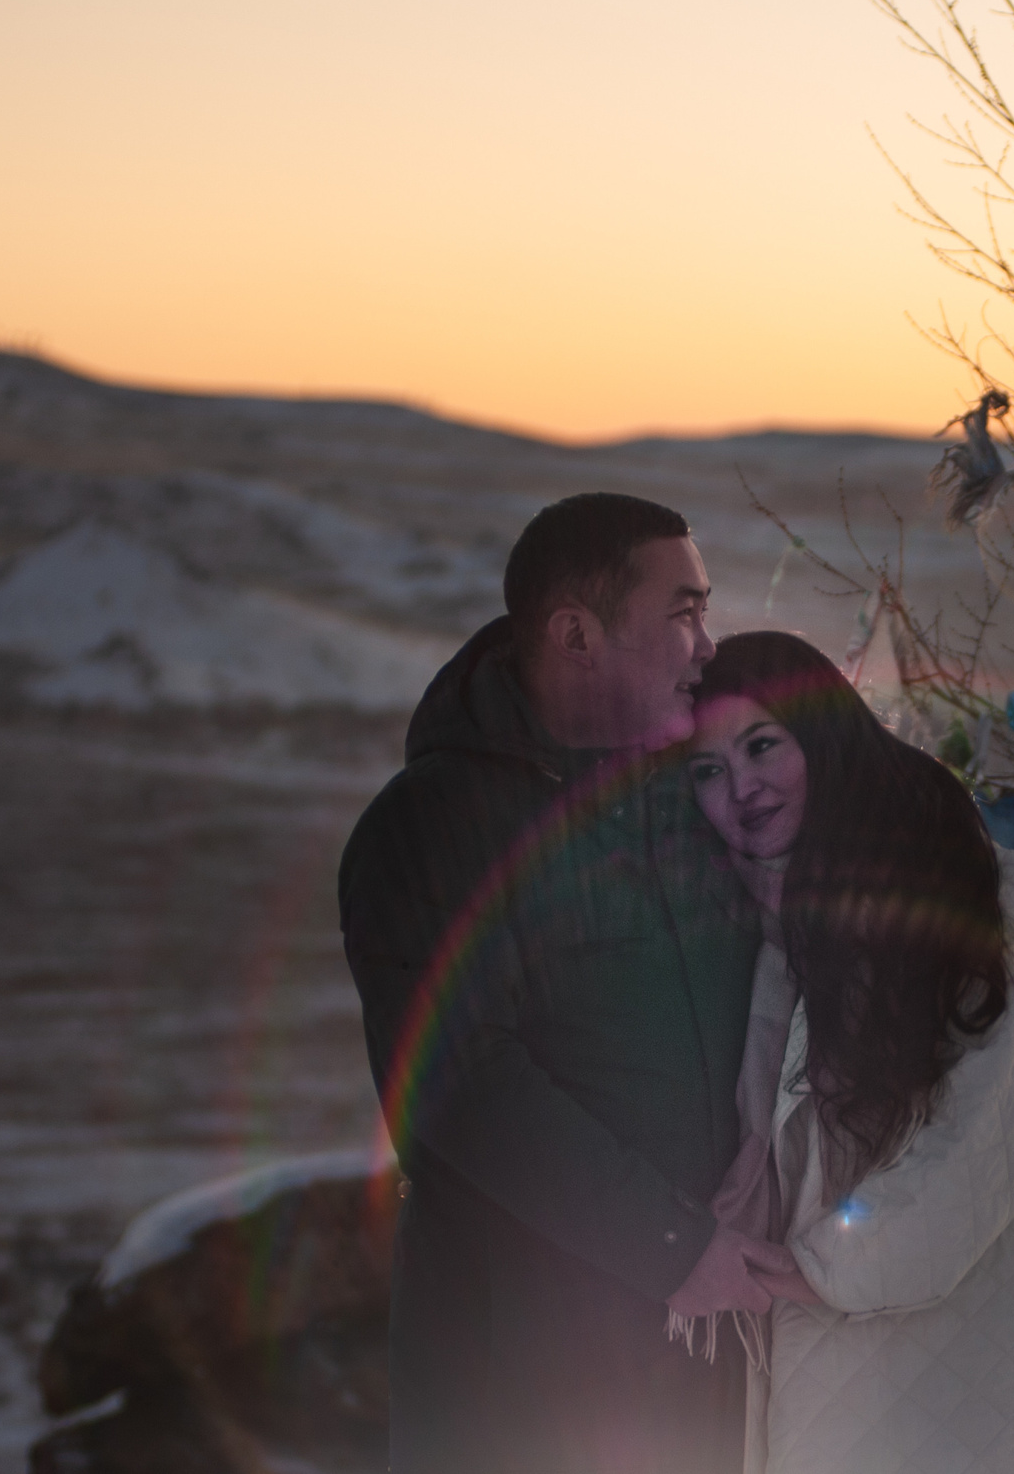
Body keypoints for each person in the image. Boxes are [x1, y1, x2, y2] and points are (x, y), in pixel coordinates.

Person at [339, 493, 778, 1474]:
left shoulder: (687, 798)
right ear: (577, 633)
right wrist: (671, 1244)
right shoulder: (432, 822)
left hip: (698, 1358)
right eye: (683, 614)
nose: (707, 645)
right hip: (521, 1373)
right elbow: (463, 1082)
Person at [670, 631, 1014, 1474]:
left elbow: (975, 1153)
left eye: (763, 746)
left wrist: (817, 1268)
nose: (741, 787)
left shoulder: (971, 920)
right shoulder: (781, 932)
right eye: (708, 770)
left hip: (954, 1363)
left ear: (826, 739)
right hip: (843, 1360)